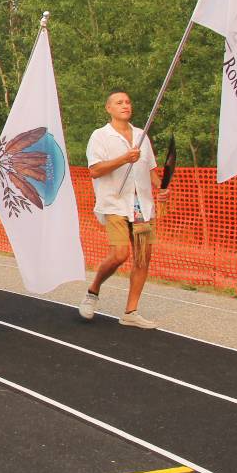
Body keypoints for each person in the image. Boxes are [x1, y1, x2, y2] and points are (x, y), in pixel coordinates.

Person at [81, 90, 170, 329]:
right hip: (114, 202)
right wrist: (124, 158)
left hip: (140, 204)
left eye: (128, 102)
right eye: (119, 102)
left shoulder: (142, 136)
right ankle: (93, 289)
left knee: (143, 257)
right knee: (120, 254)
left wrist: (160, 187)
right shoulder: (100, 136)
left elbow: (150, 171)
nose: (125, 105)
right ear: (108, 108)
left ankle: (131, 311)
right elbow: (95, 170)